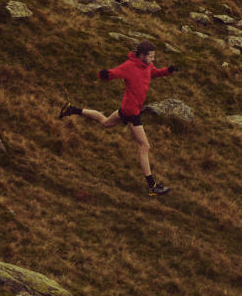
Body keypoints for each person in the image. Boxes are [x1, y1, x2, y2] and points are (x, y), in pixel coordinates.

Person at [58, 41, 179, 197]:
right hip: (131, 112)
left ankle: (71, 109)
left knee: (106, 123)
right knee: (144, 146)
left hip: (127, 108)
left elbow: (153, 72)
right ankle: (152, 187)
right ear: (141, 55)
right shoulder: (129, 66)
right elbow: (112, 74)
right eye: (151, 57)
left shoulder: (147, 65)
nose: (153, 60)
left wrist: (168, 70)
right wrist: (104, 74)